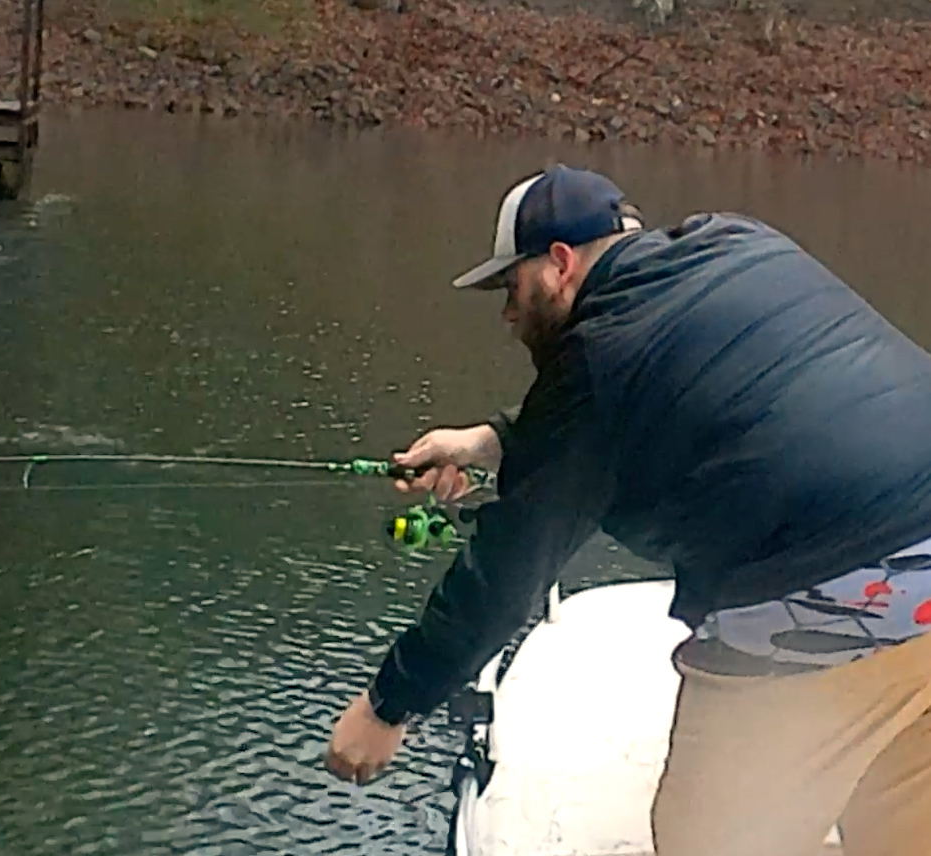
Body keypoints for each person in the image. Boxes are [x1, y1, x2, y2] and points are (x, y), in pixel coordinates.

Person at [322, 163, 931, 855]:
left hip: (826, 598)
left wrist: (387, 706)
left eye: (511, 287)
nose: (508, 313)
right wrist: (493, 441)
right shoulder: (737, 240)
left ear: (557, 264)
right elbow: (681, 384)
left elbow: (505, 577)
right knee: (907, 822)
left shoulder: (594, 361)